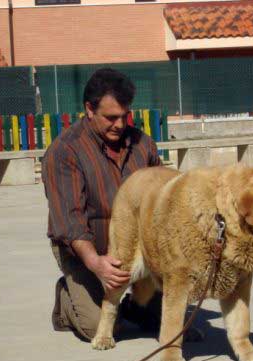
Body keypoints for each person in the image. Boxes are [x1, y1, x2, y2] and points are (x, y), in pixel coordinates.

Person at [41, 68, 163, 341]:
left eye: (124, 116)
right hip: (84, 250)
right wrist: (96, 263)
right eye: (110, 117)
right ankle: (67, 296)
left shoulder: (144, 145)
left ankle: (134, 304)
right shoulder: (65, 152)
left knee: (166, 316)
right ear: (89, 109)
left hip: (139, 250)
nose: (119, 125)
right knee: (98, 327)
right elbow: (70, 220)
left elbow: (165, 199)